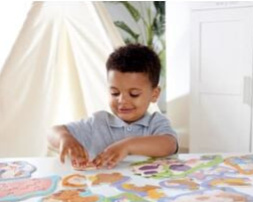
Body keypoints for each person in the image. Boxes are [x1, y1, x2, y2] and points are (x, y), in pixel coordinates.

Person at [48, 44, 178, 169]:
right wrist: (64, 137)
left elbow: (169, 145)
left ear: (154, 94)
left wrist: (127, 146)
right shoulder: (97, 123)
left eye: (134, 94)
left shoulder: (155, 123)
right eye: (115, 93)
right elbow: (52, 132)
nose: (122, 100)